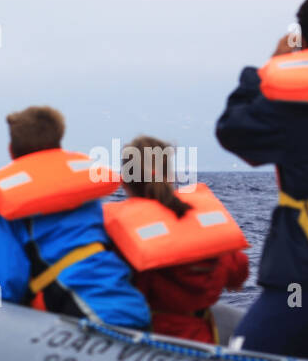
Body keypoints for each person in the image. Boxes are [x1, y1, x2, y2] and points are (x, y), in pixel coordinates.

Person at [215, 0, 308, 358]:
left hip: (305, 273)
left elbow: (233, 131)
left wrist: (266, 72)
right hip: (304, 272)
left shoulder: (287, 101)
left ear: (302, 39)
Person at [0, 105, 150, 328]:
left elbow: (6, 288)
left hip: (89, 316)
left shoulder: (10, 205)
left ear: (12, 150)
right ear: (58, 144)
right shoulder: (83, 195)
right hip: (134, 307)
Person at [104, 136, 249, 343]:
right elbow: (238, 272)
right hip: (202, 337)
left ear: (125, 181)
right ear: (170, 176)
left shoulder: (117, 233)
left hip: (144, 340)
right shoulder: (200, 221)